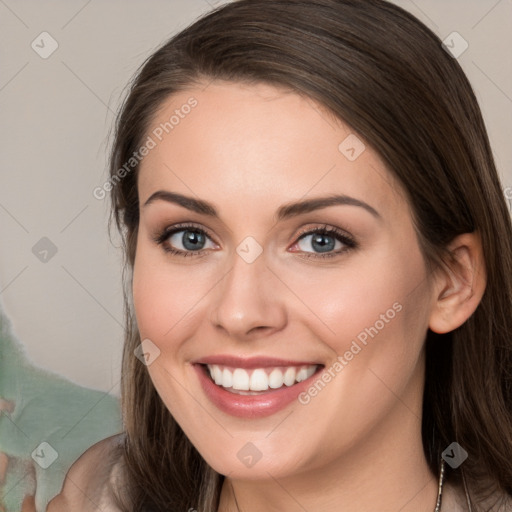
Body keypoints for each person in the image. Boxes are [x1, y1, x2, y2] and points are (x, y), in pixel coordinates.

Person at [47, 0, 512, 510]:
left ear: (452, 282)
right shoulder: (96, 495)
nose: (240, 312)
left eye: (321, 240)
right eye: (190, 238)